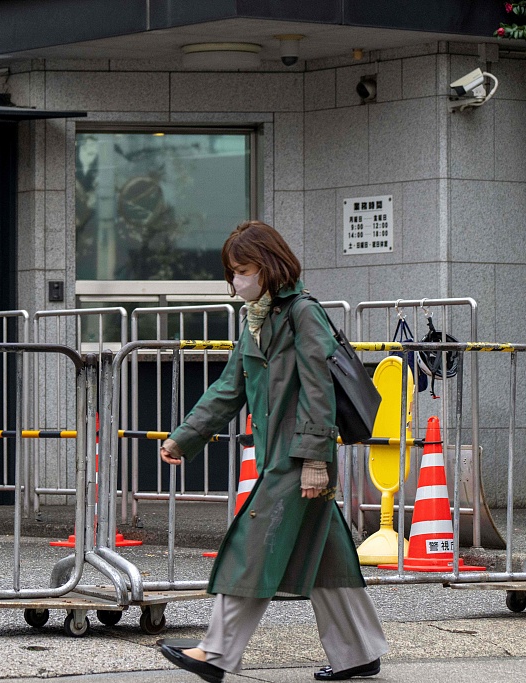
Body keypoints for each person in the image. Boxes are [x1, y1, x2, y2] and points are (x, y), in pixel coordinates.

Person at [158, 221, 388, 682]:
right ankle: (359, 651)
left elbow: (320, 390)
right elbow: (230, 388)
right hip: (279, 454)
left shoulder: (302, 313)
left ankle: (217, 653)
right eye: (232, 272)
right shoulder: (257, 320)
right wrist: (185, 436)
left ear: (268, 266)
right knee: (329, 559)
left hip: (297, 456)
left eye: (242, 270)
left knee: (253, 547)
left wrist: (316, 461)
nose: (235, 281)